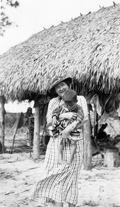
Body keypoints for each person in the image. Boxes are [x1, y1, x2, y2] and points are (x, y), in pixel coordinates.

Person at [32, 76, 88, 207]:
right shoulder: (53, 102)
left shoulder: (80, 99)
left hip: (74, 140)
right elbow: (49, 122)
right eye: (57, 87)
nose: (60, 88)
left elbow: (84, 119)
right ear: (55, 90)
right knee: (56, 175)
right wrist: (64, 116)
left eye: (62, 84)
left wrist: (69, 128)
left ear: (68, 85)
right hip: (56, 143)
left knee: (71, 176)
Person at [51, 89, 85, 165]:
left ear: (76, 102)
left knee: (73, 142)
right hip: (63, 127)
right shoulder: (61, 106)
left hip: (74, 128)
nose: (69, 107)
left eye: (71, 105)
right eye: (67, 105)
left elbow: (81, 117)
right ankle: (60, 157)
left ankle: (71, 158)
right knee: (62, 141)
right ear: (63, 102)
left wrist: (72, 126)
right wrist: (54, 118)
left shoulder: (78, 108)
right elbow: (55, 112)